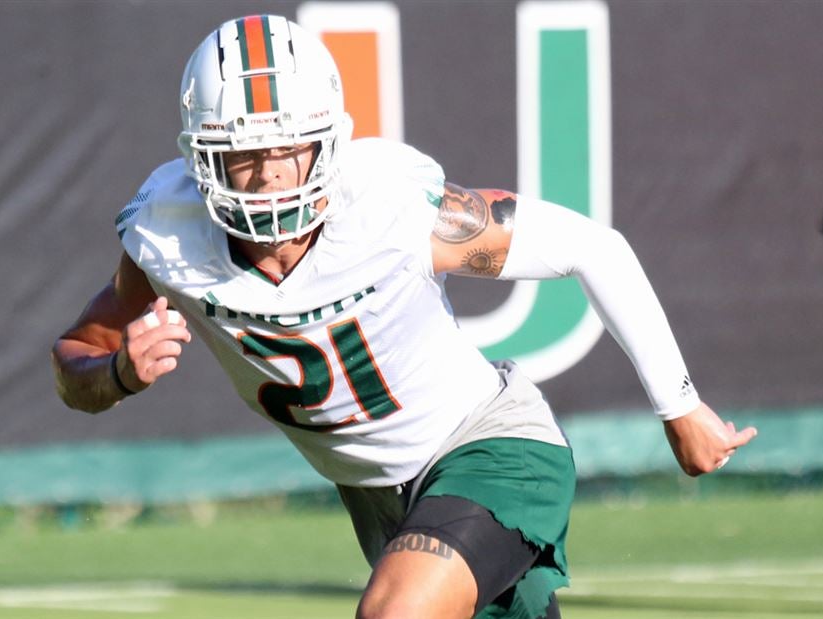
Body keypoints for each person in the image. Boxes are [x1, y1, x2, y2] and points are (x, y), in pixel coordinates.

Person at [52, 14, 756, 619]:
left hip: (490, 447)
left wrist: (680, 406)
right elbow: (76, 355)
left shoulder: (391, 209)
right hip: (381, 497)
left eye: (289, 150)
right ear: (204, 157)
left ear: (326, 143)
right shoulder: (167, 237)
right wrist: (116, 372)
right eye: (245, 156)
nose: (269, 175)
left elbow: (591, 247)